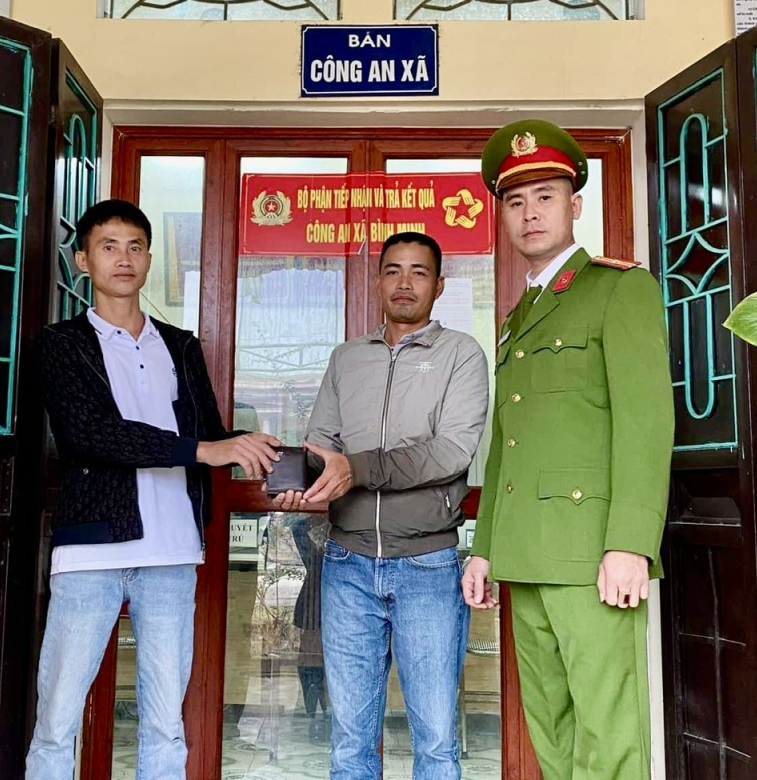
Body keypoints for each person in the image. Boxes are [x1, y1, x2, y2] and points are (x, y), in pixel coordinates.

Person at [26, 199, 281, 780]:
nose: (124, 258)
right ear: (83, 260)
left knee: (166, 723)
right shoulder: (61, 344)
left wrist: (266, 451)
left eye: (136, 247)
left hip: (172, 550)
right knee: (57, 719)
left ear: (147, 259)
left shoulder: (180, 345)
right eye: (109, 246)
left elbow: (207, 436)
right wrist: (205, 450)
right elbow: (89, 434)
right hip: (91, 549)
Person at [461, 120, 674, 780]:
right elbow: (508, 445)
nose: (530, 213)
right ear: (501, 215)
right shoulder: (518, 317)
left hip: (591, 554)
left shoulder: (618, 289)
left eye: (545, 197)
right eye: (515, 201)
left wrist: (630, 543)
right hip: (525, 555)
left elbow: (645, 425)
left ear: (575, 205)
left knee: (609, 736)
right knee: (551, 733)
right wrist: (486, 547)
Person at [276, 231, 489, 780]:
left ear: (439, 285)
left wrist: (357, 468)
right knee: (350, 742)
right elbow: (321, 442)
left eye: (419, 272)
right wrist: (298, 478)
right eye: (393, 270)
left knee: (436, 740)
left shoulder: (461, 354)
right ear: (377, 281)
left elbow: (450, 451)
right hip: (346, 565)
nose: (404, 282)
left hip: (427, 566)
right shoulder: (347, 358)